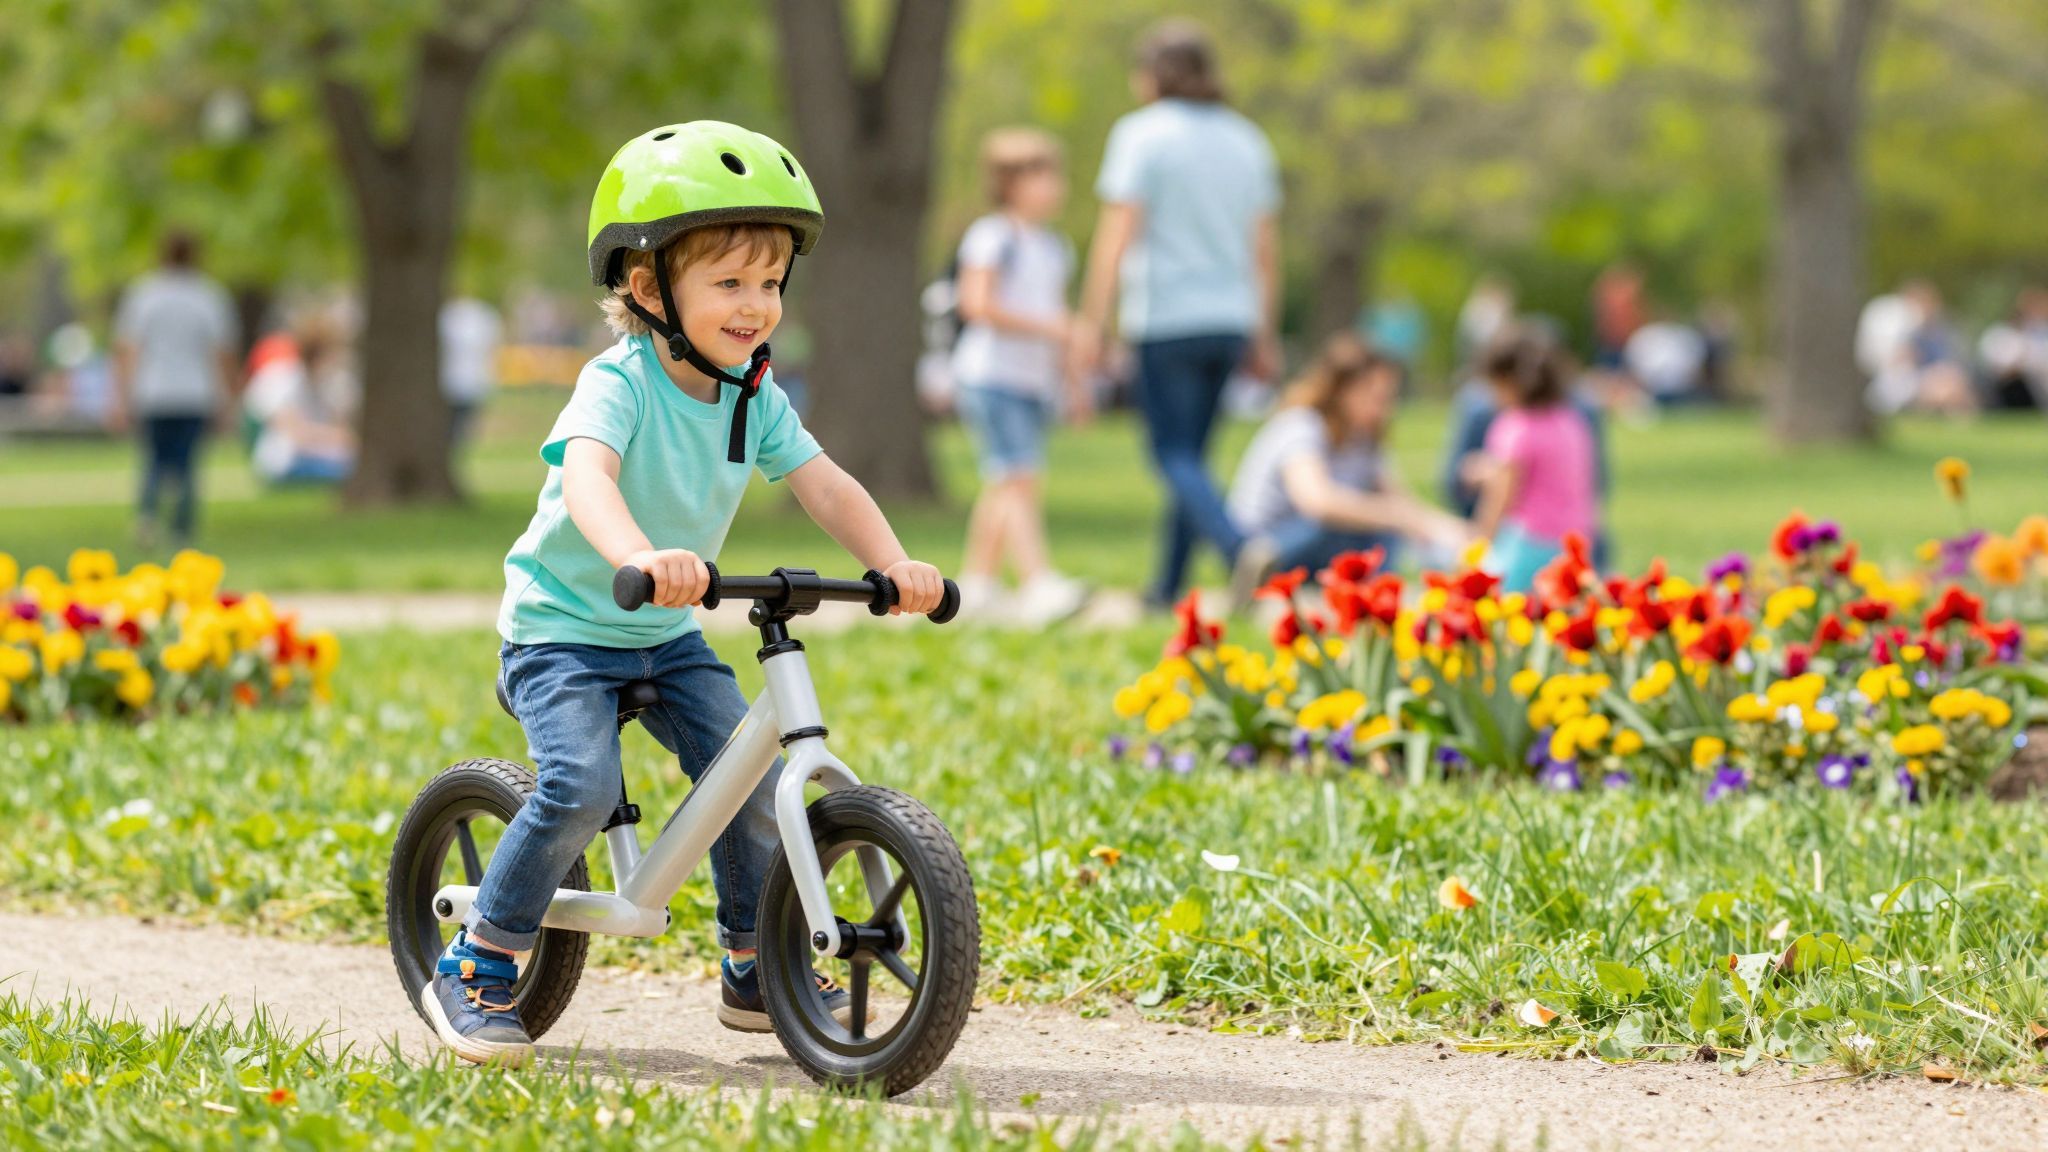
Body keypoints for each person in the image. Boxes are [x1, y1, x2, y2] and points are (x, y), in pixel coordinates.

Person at [423, 122, 946, 1068]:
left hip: (661, 632)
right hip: (563, 632)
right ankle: (481, 959)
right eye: (730, 283)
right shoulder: (615, 381)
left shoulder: (754, 392)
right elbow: (588, 480)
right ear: (648, 286)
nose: (757, 306)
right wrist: (641, 552)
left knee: (744, 779)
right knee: (580, 786)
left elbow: (824, 482)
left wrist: (897, 563)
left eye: (772, 283)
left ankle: (754, 963)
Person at [1076, 18, 1281, 610]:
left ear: (1152, 76)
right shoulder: (1247, 140)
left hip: (1166, 318)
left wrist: (1093, 323)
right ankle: (1167, 589)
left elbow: (1116, 237)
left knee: (1172, 454)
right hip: (1231, 318)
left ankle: (1237, 544)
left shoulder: (1142, 134)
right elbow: (1264, 251)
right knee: (1193, 456)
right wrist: (1264, 331)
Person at [951, 128, 1090, 625]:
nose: (1053, 186)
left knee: (1004, 479)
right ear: (1009, 183)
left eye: (1054, 174)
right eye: (1040, 175)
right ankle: (1038, 582)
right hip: (991, 375)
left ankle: (978, 584)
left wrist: (1074, 385)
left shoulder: (1055, 247)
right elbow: (978, 304)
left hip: (1031, 382)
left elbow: (1059, 321)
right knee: (1017, 478)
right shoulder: (993, 236)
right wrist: (1054, 326)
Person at [1227, 334, 1466, 584]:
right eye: (1377, 397)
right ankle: (1261, 574)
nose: (1385, 408)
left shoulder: (1363, 438)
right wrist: (1389, 514)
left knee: (1385, 526)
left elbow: (1402, 503)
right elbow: (1317, 502)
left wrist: (1455, 532)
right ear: (1343, 390)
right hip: (1272, 539)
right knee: (1333, 524)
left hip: (1319, 546)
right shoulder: (1303, 425)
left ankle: (1375, 591)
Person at [112, 231, 239, 550]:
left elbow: (128, 349)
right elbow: (221, 352)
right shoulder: (209, 296)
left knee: (153, 460)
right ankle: (182, 528)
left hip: (153, 391)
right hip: (194, 392)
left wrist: (122, 395)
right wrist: (228, 397)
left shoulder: (144, 294)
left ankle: (148, 518)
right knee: (187, 463)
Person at [1469, 330, 1600, 593]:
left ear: (1509, 383)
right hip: (1574, 545)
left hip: (1528, 546)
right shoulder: (1571, 422)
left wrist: (1478, 545)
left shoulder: (1515, 427)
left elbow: (1502, 497)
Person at [242, 315, 357, 485]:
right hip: (287, 461)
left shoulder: (332, 383)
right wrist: (338, 436)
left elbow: (340, 422)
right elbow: (294, 432)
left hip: (324, 454)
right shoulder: (281, 378)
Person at [441, 295, 504, 445]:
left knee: (459, 425)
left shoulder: (457, 318)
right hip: (461, 382)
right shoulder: (480, 317)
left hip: (465, 383)